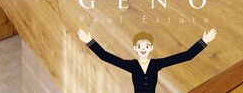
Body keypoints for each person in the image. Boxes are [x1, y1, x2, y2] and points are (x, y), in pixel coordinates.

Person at [77, 28, 217, 93]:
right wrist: (90, 41)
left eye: (146, 46)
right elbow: (106, 57)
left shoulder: (156, 64)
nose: (143, 49)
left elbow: (186, 56)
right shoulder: (132, 65)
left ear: (151, 48)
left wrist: (203, 41)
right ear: (135, 48)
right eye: (140, 46)